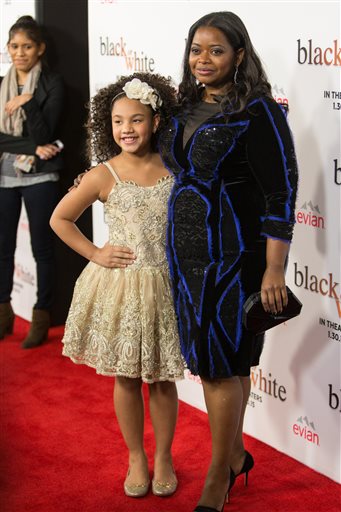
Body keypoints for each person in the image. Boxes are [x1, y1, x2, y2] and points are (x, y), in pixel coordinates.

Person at [157, 11, 299, 512]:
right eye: (197, 49)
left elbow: (281, 194)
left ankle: (218, 476)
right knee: (225, 361)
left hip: (235, 256)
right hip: (185, 252)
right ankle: (236, 454)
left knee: (220, 367)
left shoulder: (258, 110)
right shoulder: (180, 107)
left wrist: (274, 268)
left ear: (239, 55)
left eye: (216, 50)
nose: (203, 59)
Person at [50, 73, 185, 498]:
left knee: (163, 378)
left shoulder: (176, 167)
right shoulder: (102, 174)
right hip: (121, 288)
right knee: (126, 377)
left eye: (137, 119)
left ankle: (163, 455)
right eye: (117, 121)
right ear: (106, 125)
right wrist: (96, 253)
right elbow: (60, 219)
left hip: (165, 285)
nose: (126, 129)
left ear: (157, 121)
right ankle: (136, 456)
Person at [0, 15, 64, 348]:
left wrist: (28, 104)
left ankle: (41, 317)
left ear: (40, 48)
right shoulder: (0, 84)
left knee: (42, 250)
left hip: (41, 176)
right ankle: (3, 316)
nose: (20, 52)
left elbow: (47, 134)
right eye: (14, 46)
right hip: (4, 175)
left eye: (27, 46)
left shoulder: (51, 84)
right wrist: (32, 147)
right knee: (2, 250)